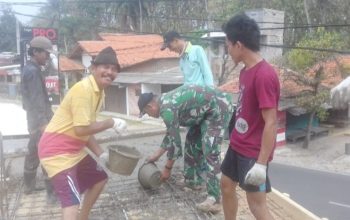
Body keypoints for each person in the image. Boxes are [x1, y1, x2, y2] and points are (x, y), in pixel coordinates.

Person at [38, 46, 127, 220]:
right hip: (57, 153)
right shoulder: (83, 90)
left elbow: (85, 129)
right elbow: (81, 130)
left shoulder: (98, 92)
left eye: (114, 69)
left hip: (72, 150)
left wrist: (101, 154)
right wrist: (111, 122)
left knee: (99, 178)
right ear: (93, 68)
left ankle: (83, 217)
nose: (110, 72)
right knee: (71, 201)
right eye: (105, 67)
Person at [220, 14, 280, 220]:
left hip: (253, 152)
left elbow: (271, 122)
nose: (228, 51)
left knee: (256, 206)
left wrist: (261, 164)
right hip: (237, 144)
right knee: (226, 186)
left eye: (228, 45)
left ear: (238, 45)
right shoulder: (245, 71)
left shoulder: (264, 75)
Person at [140, 85, 233, 213]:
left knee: (210, 150)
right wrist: (157, 155)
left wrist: (167, 169)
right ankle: (193, 181)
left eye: (146, 113)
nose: (149, 116)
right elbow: (171, 133)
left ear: (150, 106)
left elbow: (175, 143)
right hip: (203, 113)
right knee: (192, 142)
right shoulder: (165, 103)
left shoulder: (166, 109)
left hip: (218, 107)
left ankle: (215, 199)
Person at [20, 36, 56, 203]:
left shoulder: (30, 69)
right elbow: (36, 101)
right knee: (47, 154)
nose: (47, 57)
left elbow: (30, 101)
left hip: (34, 121)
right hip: (39, 122)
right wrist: (43, 124)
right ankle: (52, 195)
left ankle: (29, 187)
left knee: (33, 153)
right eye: (45, 54)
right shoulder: (33, 72)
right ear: (35, 52)